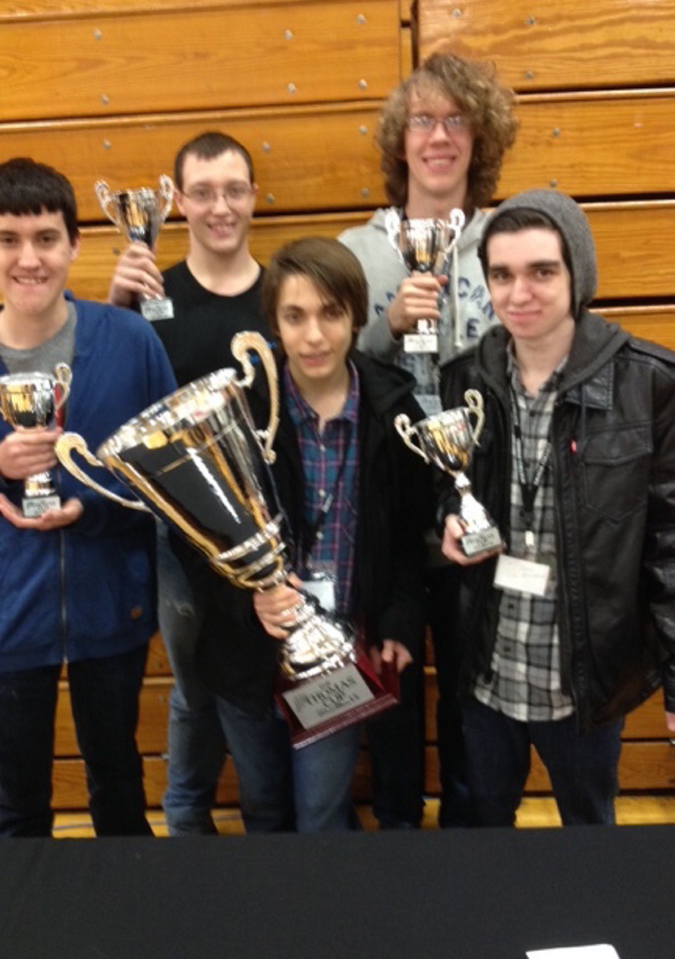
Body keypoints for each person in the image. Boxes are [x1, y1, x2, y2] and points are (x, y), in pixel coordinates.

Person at [0, 158, 176, 837]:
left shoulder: (129, 339)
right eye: (8, 238)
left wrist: (89, 506)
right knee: (17, 804)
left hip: (110, 599)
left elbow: (165, 470)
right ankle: (22, 941)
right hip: (4, 610)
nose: (28, 258)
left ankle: (127, 935)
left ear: (73, 243)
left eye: (45, 237)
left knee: (119, 788)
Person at [169, 236, 429, 831]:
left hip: (336, 655)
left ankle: (326, 920)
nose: (314, 335)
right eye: (295, 316)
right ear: (272, 324)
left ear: (357, 317)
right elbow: (192, 541)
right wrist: (247, 599)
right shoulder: (234, 412)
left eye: (331, 314)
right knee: (262, 806)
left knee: (320, 811)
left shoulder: (393, 412)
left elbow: (411, 536)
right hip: (246, 653)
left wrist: (397, 620)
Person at [439, 188, 675, 826]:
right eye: (502, 275)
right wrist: (449, 522)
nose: (520, 293)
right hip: (489, 667)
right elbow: (448, 485)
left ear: (578, 274)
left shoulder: (649, 383)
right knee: (488, 825)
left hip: (586, 679)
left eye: (542, 271)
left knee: (588, 828)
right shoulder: (465, 378)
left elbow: (670, 545)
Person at [339, 52, 518, 827]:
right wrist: (386, 326)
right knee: (392, 686)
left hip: (480, 498)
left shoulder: (511, 239)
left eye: (456, 121)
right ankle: (398, 842)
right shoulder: (357, 251)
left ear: (479, 140)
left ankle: (473, 843)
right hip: (382, 501)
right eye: (422, 120)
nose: (438, 136)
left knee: (474, 687)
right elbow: (325, 368)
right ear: (398, 139)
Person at [107, 131, 272, 835]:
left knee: (265, 680)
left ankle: (277, 820)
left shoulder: (284, 293)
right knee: (194, 684)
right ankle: (186, 819)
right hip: (180, 539)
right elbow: (110, 405)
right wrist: (113, 308)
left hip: (272, 535)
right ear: (175, 201)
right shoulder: (149, 297)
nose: (219, 206)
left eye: (233, 190)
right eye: (202, 192)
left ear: (254, 198)